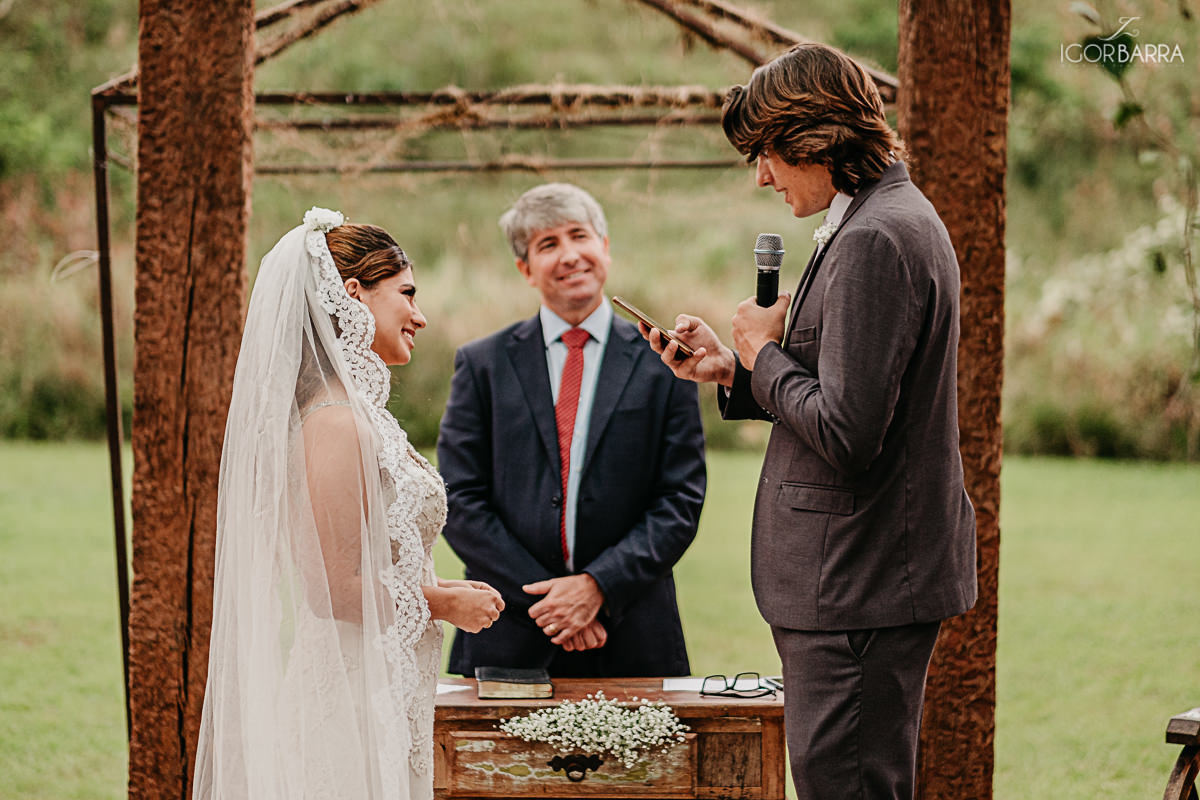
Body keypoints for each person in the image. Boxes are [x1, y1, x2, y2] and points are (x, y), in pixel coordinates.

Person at [641, 44, 978, 800]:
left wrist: (762, 352)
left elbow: (849, 433)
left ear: (813, 137)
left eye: (766, 154)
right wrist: (732, 371)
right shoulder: (881, 217)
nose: (762, 176)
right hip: (860, 580)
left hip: (856, 582)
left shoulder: (875, 237)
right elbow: (851, 394)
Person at [192, 208, 504, 800]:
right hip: (350, 692)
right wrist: (443, 602)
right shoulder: (336, 424)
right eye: (407, 293)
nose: (420, 315)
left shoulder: (363, 417)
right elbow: (332, 587)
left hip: (388, 680)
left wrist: (441, 591)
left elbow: (378, 557)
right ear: (354, 294)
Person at [437, 182, 706, 677]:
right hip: (509, 632)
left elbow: (679, 500)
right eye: (547, 244)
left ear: (604, 246)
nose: (569, 255)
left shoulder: (665, 362)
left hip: (633, 632)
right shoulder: (482, 364)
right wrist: (551, 601)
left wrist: (597, 587)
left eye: (579, 236)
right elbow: (460, 496)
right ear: (525, 269)